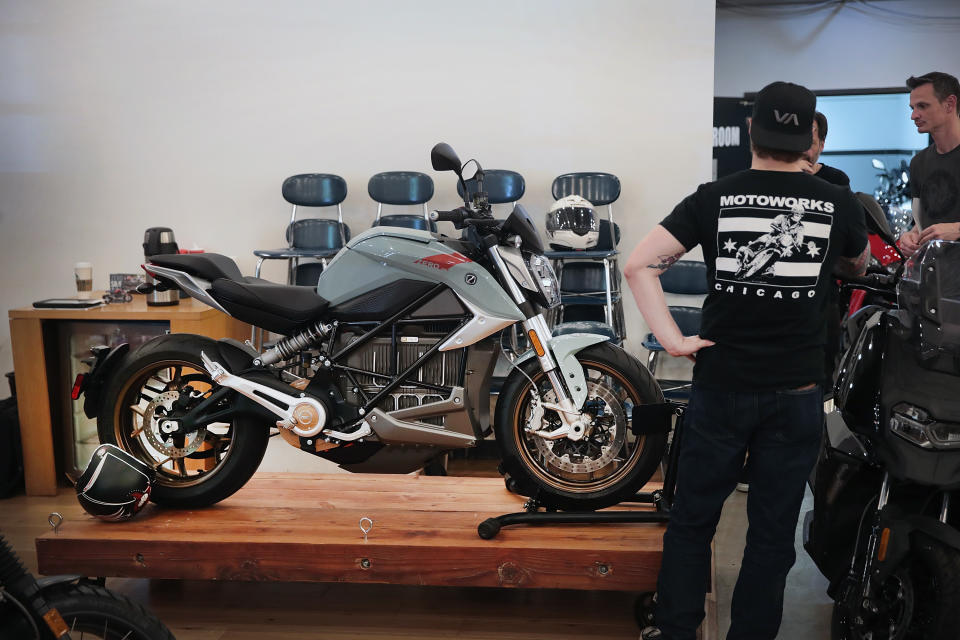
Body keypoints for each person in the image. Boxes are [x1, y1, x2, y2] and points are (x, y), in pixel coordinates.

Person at [624, 81, 869, 640]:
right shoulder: (837, 200)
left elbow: (639, 265)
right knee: (771, 536)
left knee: (691, 524)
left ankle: (677, 631)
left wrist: (674, 340)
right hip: (797, 392)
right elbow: (856, 267)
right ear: (810, 137)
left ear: (751, 131)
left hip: (721, 385)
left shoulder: (715, 195)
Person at [899, 71, 960, 257]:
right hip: (934, 278)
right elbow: (921, 222)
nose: (914, 115)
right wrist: (910, 236)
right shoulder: (918, 163)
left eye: (923, 106)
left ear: (949, 104)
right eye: (912, 108)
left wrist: (957, 230)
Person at [802, 111, 850, 186]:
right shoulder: (778, 176)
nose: (803, 150)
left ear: (821, 145)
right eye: (798, 142)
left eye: (809, 143)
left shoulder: (836, 179)